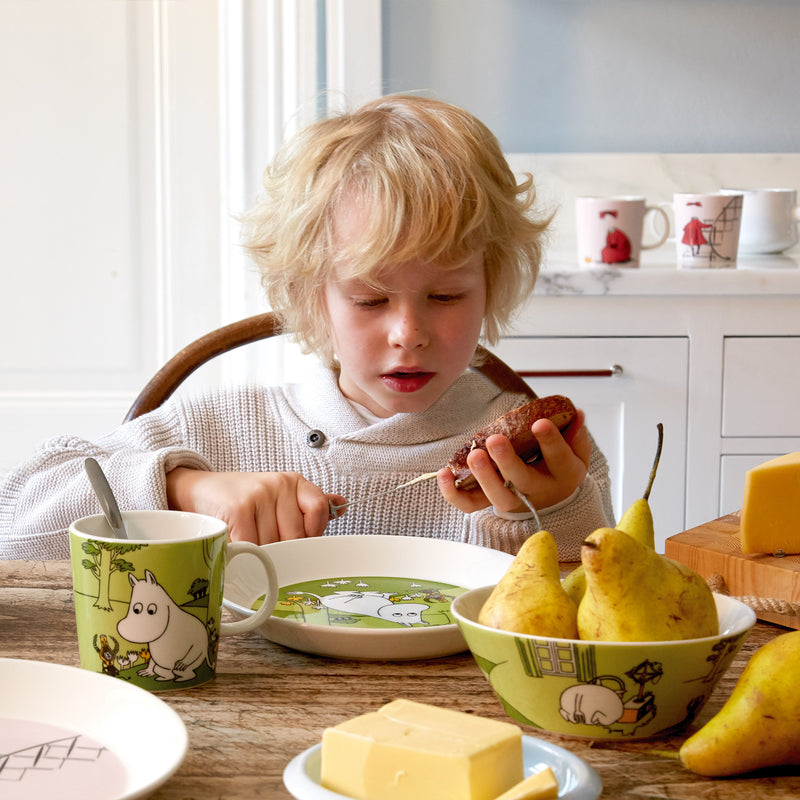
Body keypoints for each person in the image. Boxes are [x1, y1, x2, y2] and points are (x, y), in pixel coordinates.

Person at [0, 94, 614, 562]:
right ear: (309, 295)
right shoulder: (223, 431)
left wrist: (553, 512)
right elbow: (14, 528)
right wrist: (181, 490)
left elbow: (597, 623)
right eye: (370, 300)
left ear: (492, 283)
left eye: (447, 295)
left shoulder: (548, 459)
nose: (409, 332)